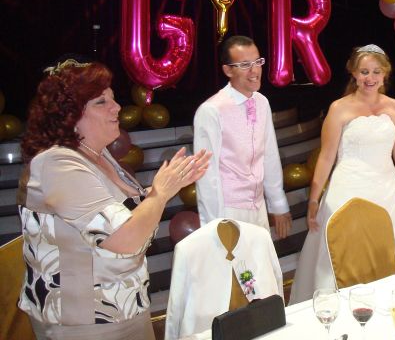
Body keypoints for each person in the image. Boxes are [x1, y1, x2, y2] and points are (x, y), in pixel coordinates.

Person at [18, 59, 211, 340]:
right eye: (101, 101)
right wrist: (161, 192)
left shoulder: (100, 155)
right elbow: (124, 238)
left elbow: (130, 215)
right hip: (83, 320)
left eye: (113, 98)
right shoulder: (57, 164)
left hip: (126, 305)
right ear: (70, 113)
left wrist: (167, 186)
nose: (117, 107)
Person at [289, 44, 395, 304]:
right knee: (345, 250)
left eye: (375, 72)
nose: (369, 78)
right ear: (354, 73)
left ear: (385, 74)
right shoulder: (339, 108)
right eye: (364, 72)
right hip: (347, 188)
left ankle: (390, 303)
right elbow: (326, 157)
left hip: (388, 191)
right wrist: (314, 199)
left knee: (388, 249)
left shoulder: (394, 108)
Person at [193, 35, 292, 238]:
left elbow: (269, 155)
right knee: (234, 269)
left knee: (260, 267)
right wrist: (216, 226)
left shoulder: (262, 102)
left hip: (258, 206)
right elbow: (207, 175)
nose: (254, 71)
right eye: (245, 64)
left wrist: (278, 204)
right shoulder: (211, 110)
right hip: (228, 209)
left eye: (257, 62)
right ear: (228, 70)